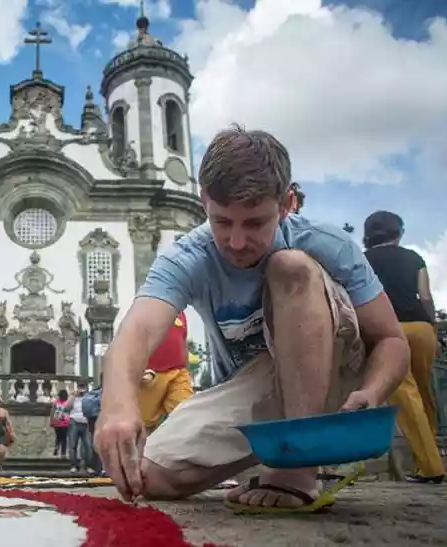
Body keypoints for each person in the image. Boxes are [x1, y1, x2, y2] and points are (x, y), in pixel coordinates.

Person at [94, 125, 409, 512]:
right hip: (261, 382)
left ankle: (297, 465)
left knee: (290, 267)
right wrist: (117, 403)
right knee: (149, 476)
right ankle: (272, 452)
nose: (237, 242)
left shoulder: (326, 243)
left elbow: (392, 340)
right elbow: (137, 331)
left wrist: (374, 391)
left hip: (339, 374)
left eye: (255, 223)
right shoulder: (188, 256)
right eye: (222, 222)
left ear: (287, 204)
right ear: (203, 200)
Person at [363, 211, 445, 484]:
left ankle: (431, 467)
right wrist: (434, 330)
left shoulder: (364, 260)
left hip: (390, 331)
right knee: (424, 393)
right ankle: (428, 462)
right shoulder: (414, 258)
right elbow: (425, 296)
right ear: (397, 233)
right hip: (422, 330)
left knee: (406, 396)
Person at [139, 310, 194, 433]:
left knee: (186, 416)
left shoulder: (181, 314)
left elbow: (183, 342)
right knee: (145, 424)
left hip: (178, 372)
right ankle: (144, 451)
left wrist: (187, 370)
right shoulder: (143, 309)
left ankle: (183, 450)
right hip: (151, 373)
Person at [65, 382, 93, 473]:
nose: (81, 389)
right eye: (80, 387)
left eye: (83, 387)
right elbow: (66, 407)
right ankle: (73, 465)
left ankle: (88, 466)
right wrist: (73, 396)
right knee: (72, 445)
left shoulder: (88, 397)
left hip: (85, 423)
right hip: (74, 422)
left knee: (88, 445)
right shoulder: (73, 397)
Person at [49, 389, 70, 458]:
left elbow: (52, 412)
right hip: (65, 422)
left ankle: (56, 449)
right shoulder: (68, 403)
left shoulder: (56, 402)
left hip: (57, 422)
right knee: (64, 438)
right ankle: (63, 452)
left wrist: (51, 422)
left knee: (58, 437)